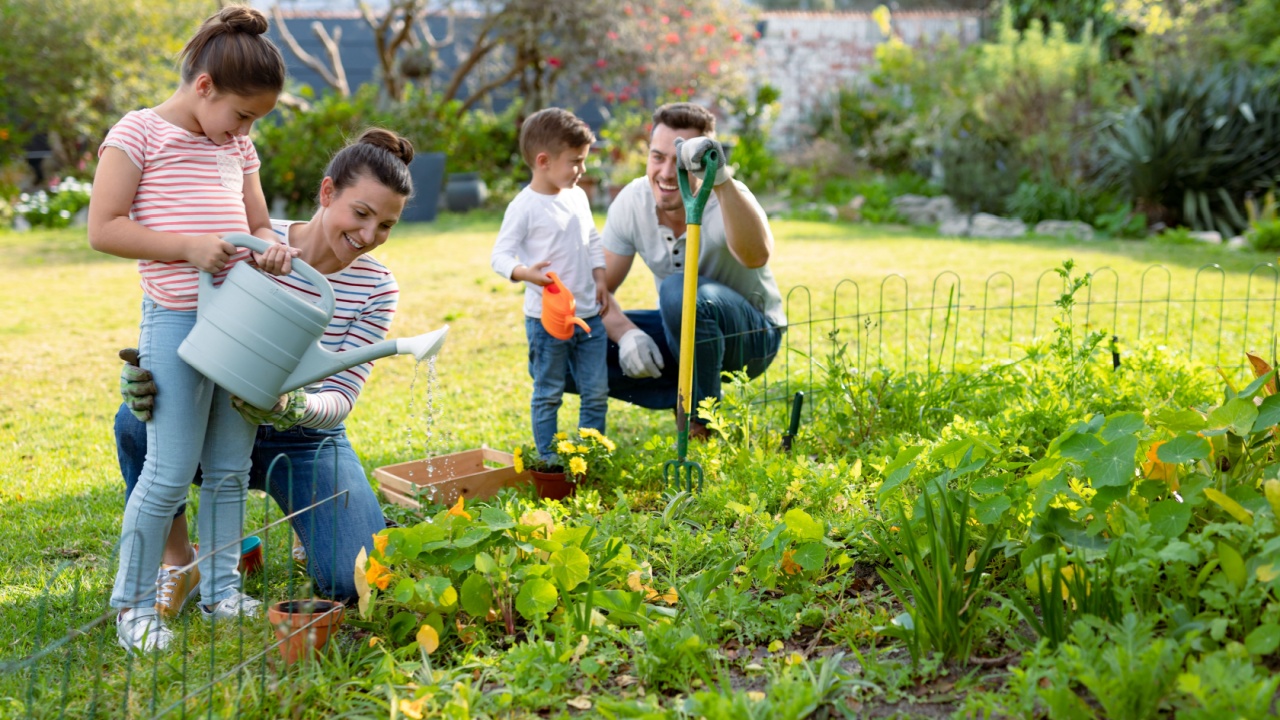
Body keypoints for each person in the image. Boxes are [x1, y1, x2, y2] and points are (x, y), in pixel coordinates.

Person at [115, 128, 415, 618]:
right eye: (360, 214)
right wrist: (150, 376)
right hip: (216, 415)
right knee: (135, 426)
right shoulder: (250, 239)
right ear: (326, 192)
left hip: (302, 437)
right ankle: (181, 561)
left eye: (385, 226)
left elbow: (341, 394)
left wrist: (288, 404)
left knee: (352, 578)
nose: (368, 236)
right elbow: (187, 318)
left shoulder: (377, 286)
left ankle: (308, 524)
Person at [87, 5, 290, 653]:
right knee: (170, 469)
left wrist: (271, 247)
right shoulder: (138, 134)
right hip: (176, 320)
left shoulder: (235, 144)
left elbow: (258, 224)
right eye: (242, 113)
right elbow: (105, 227)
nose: (245, 129)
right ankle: (133, 606)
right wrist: (188, 248)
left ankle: (223, 591)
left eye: (254, 120)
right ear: (205, 87)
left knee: (229, 468)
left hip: (238, 323)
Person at [590, 103, 785, 435]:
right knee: (571, 347)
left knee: (678, 290)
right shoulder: (632, 201)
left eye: (680, 162)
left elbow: (756, 257)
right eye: (657, 157)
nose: (667, 173)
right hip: (684, 331)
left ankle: (700, 421)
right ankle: (688, 393)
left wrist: (720, 179)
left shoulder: (728, 197)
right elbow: (595, 291)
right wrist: (627, 335)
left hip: (751, 338)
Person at [490, 108, 610, 461]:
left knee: (597, 392)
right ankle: (550, 460)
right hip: (547, 321)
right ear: (543, 161)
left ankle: (589, 456)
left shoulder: (577, 196)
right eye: (575, 161)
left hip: (588, 316)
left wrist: (600, 277)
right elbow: (500, 256)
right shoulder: (524, 207)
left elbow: (591, 238)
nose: (583, 169)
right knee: (548, 392)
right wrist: (526, 273)